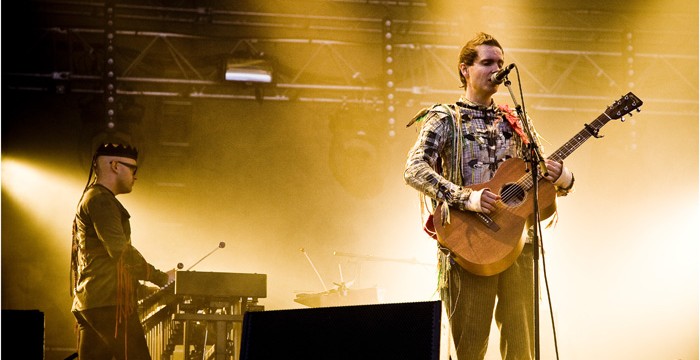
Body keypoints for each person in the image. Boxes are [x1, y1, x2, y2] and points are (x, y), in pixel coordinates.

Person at [403, 32, 575, 360]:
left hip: (520, 247)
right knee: (469, 349)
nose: (496, 69)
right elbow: (413, 169)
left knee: (523, 349)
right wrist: (465, 198)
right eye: (486, 62)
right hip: (469, 247)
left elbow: (540, 180)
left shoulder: (516, 120)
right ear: (465, 70)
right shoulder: (445, 117)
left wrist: (563, 177)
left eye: (499, 62)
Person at [70, 142, 174, 360]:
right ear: (115, 165)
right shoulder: (100, 200)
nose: (135, 177)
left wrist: (142, 289)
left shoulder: (93, 198)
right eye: (133, 169)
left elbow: (103, 259)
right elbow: (120, 251)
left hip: (92, 302)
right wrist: (161, 278)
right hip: (109, 305)